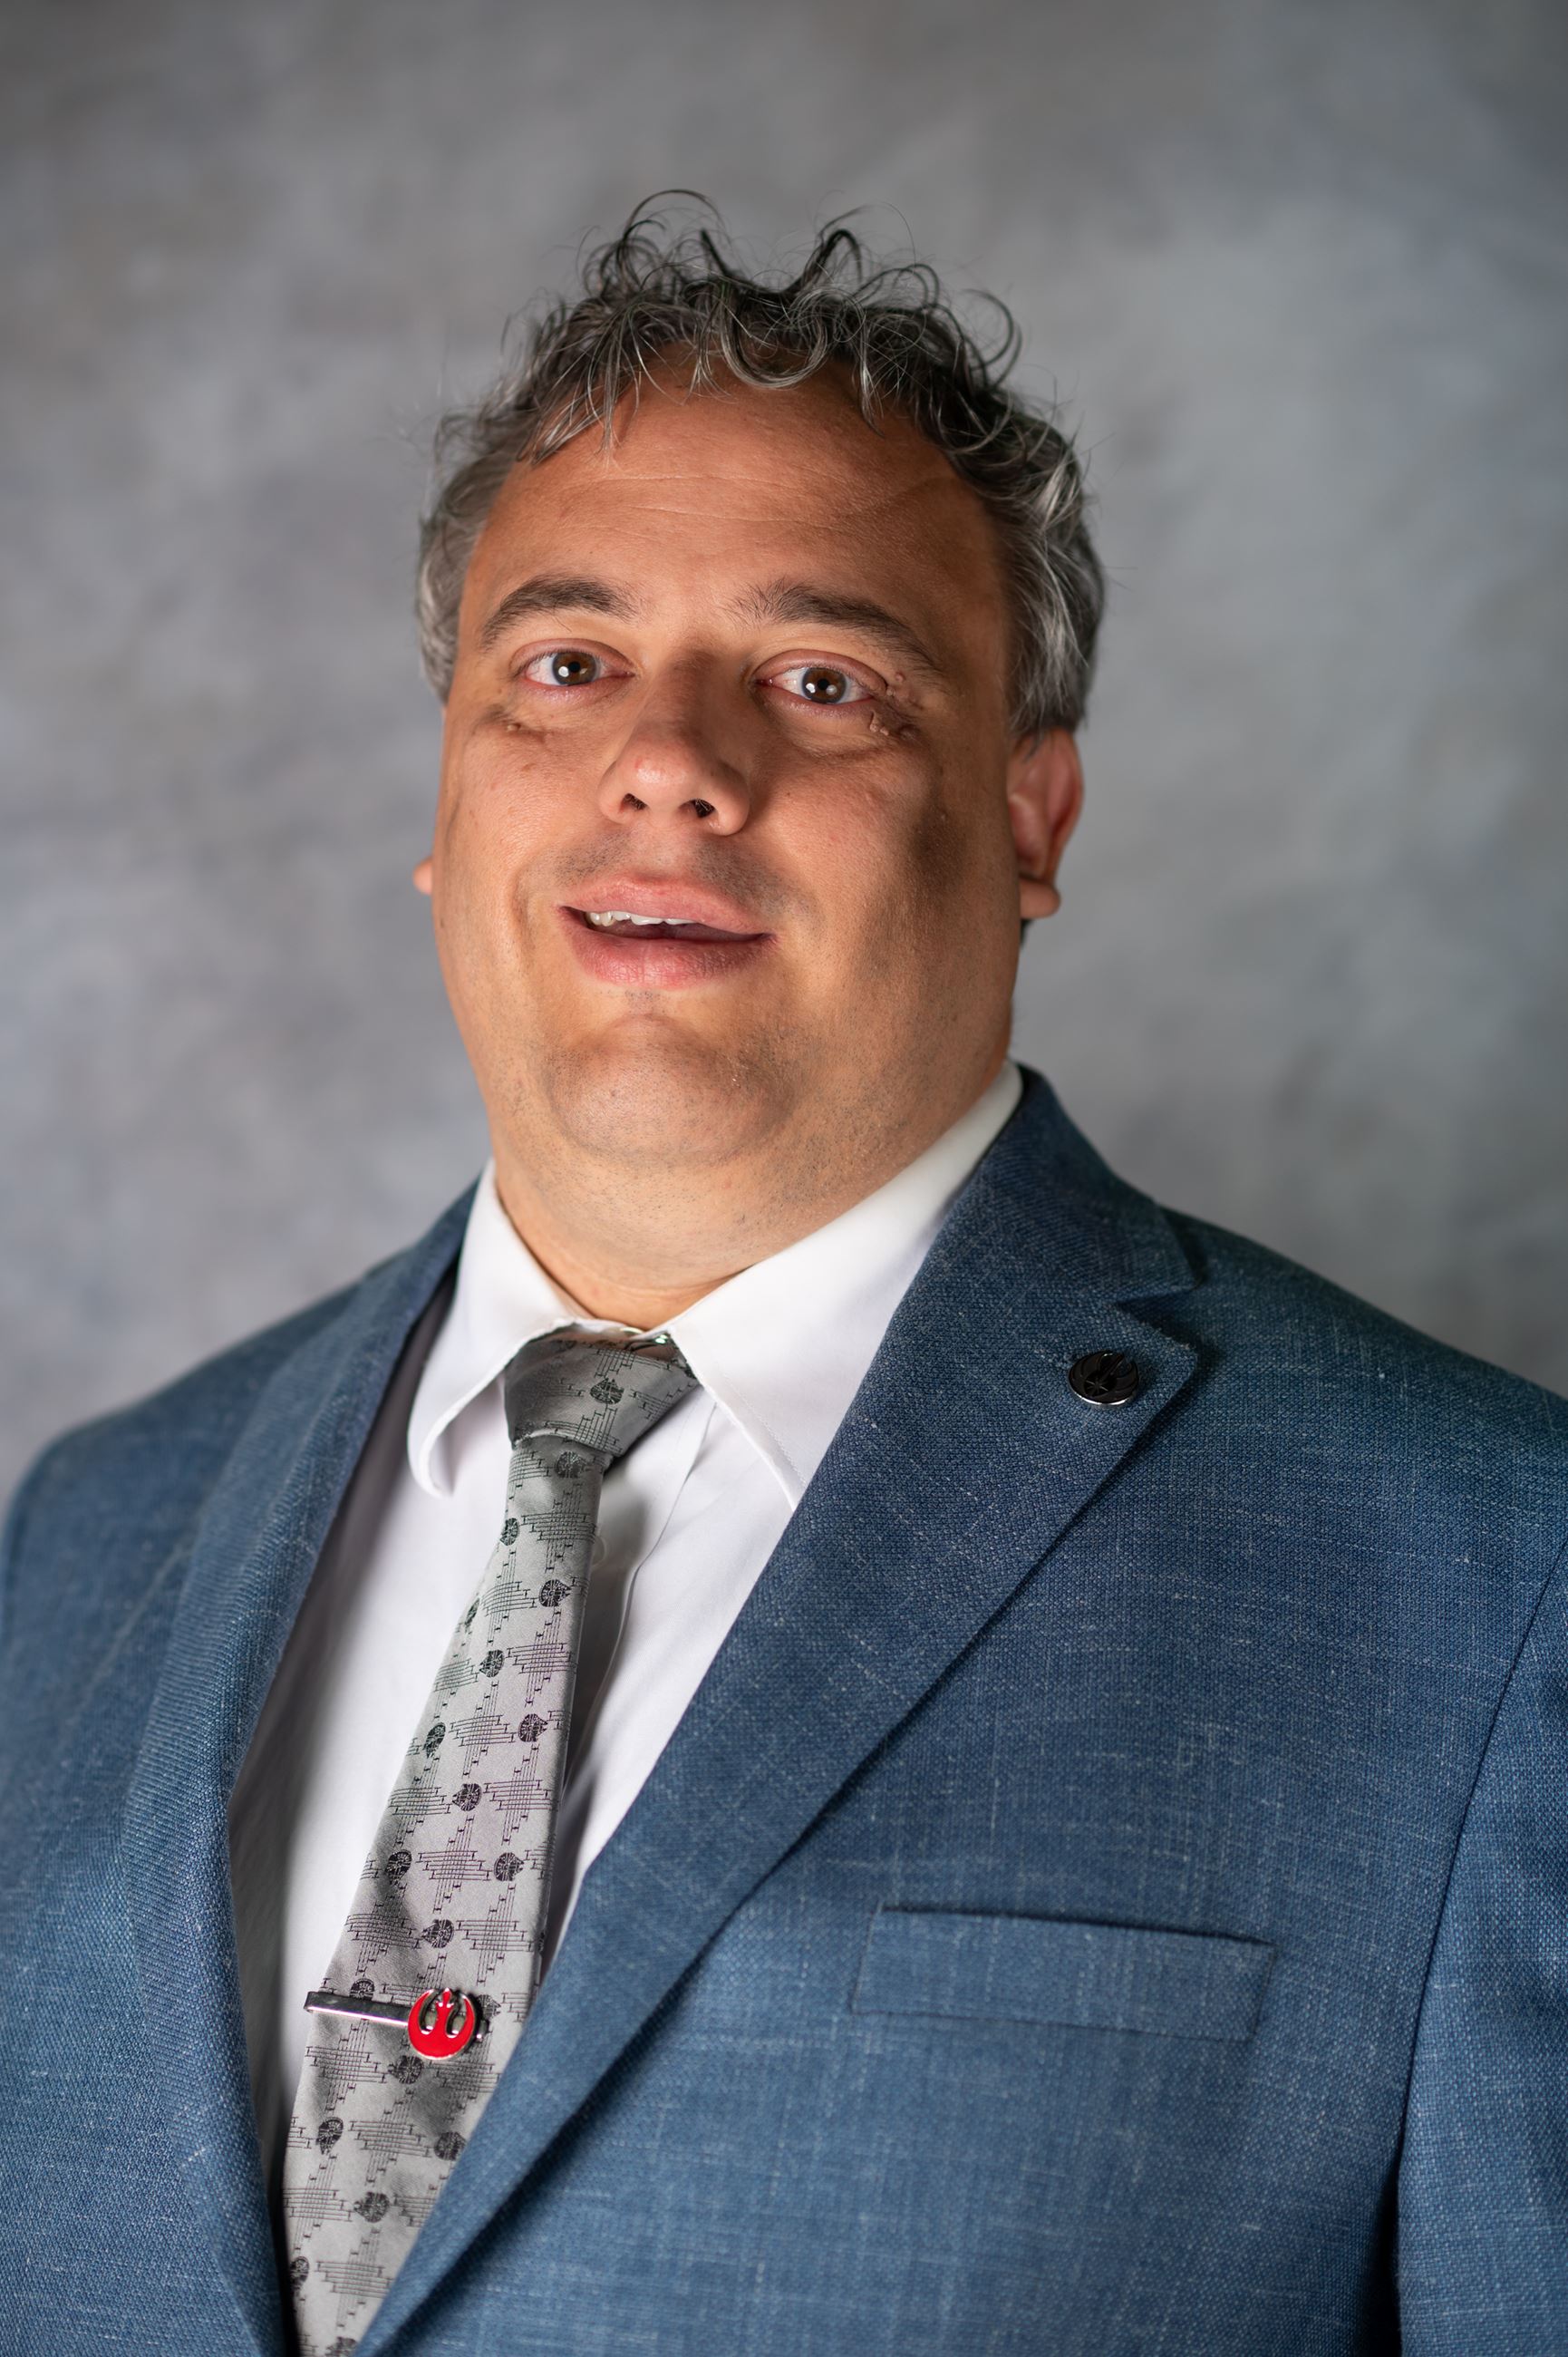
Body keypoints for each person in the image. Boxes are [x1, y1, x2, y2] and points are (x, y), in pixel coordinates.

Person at [2, 198, 1565, 2357]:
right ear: (448, 792)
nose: (669, 760)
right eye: (564, 664)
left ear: (1032, 821)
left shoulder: (1492, 1581)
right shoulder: (88, 1534)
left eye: (821, 681)